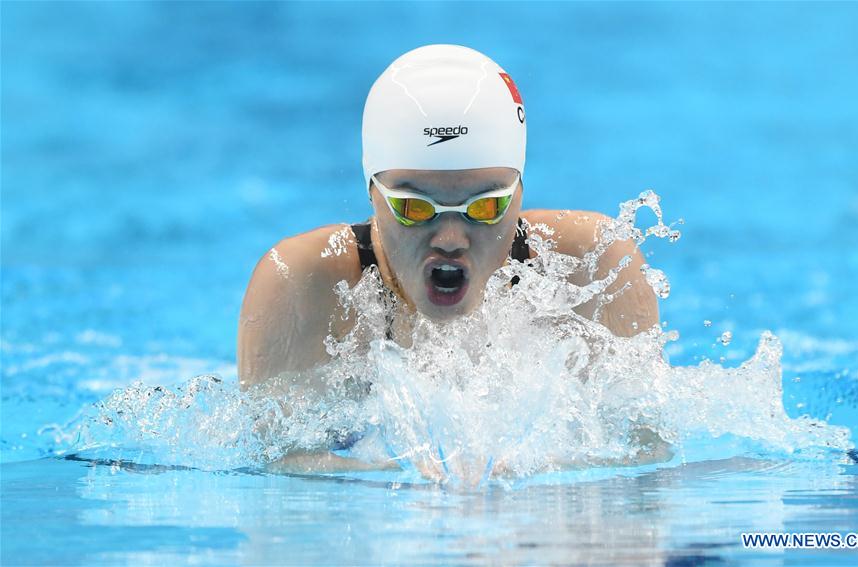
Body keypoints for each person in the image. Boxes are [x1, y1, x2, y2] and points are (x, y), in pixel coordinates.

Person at [237, 44, 661, 474]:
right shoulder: (303, 281)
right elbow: (275, 471)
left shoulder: (592, 264)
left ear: (519, 194)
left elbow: (650, 457)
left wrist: (532, 472)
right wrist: (395, 480)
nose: (451, 239)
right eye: (415, 207)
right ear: (372, 193)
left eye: (485, 207)